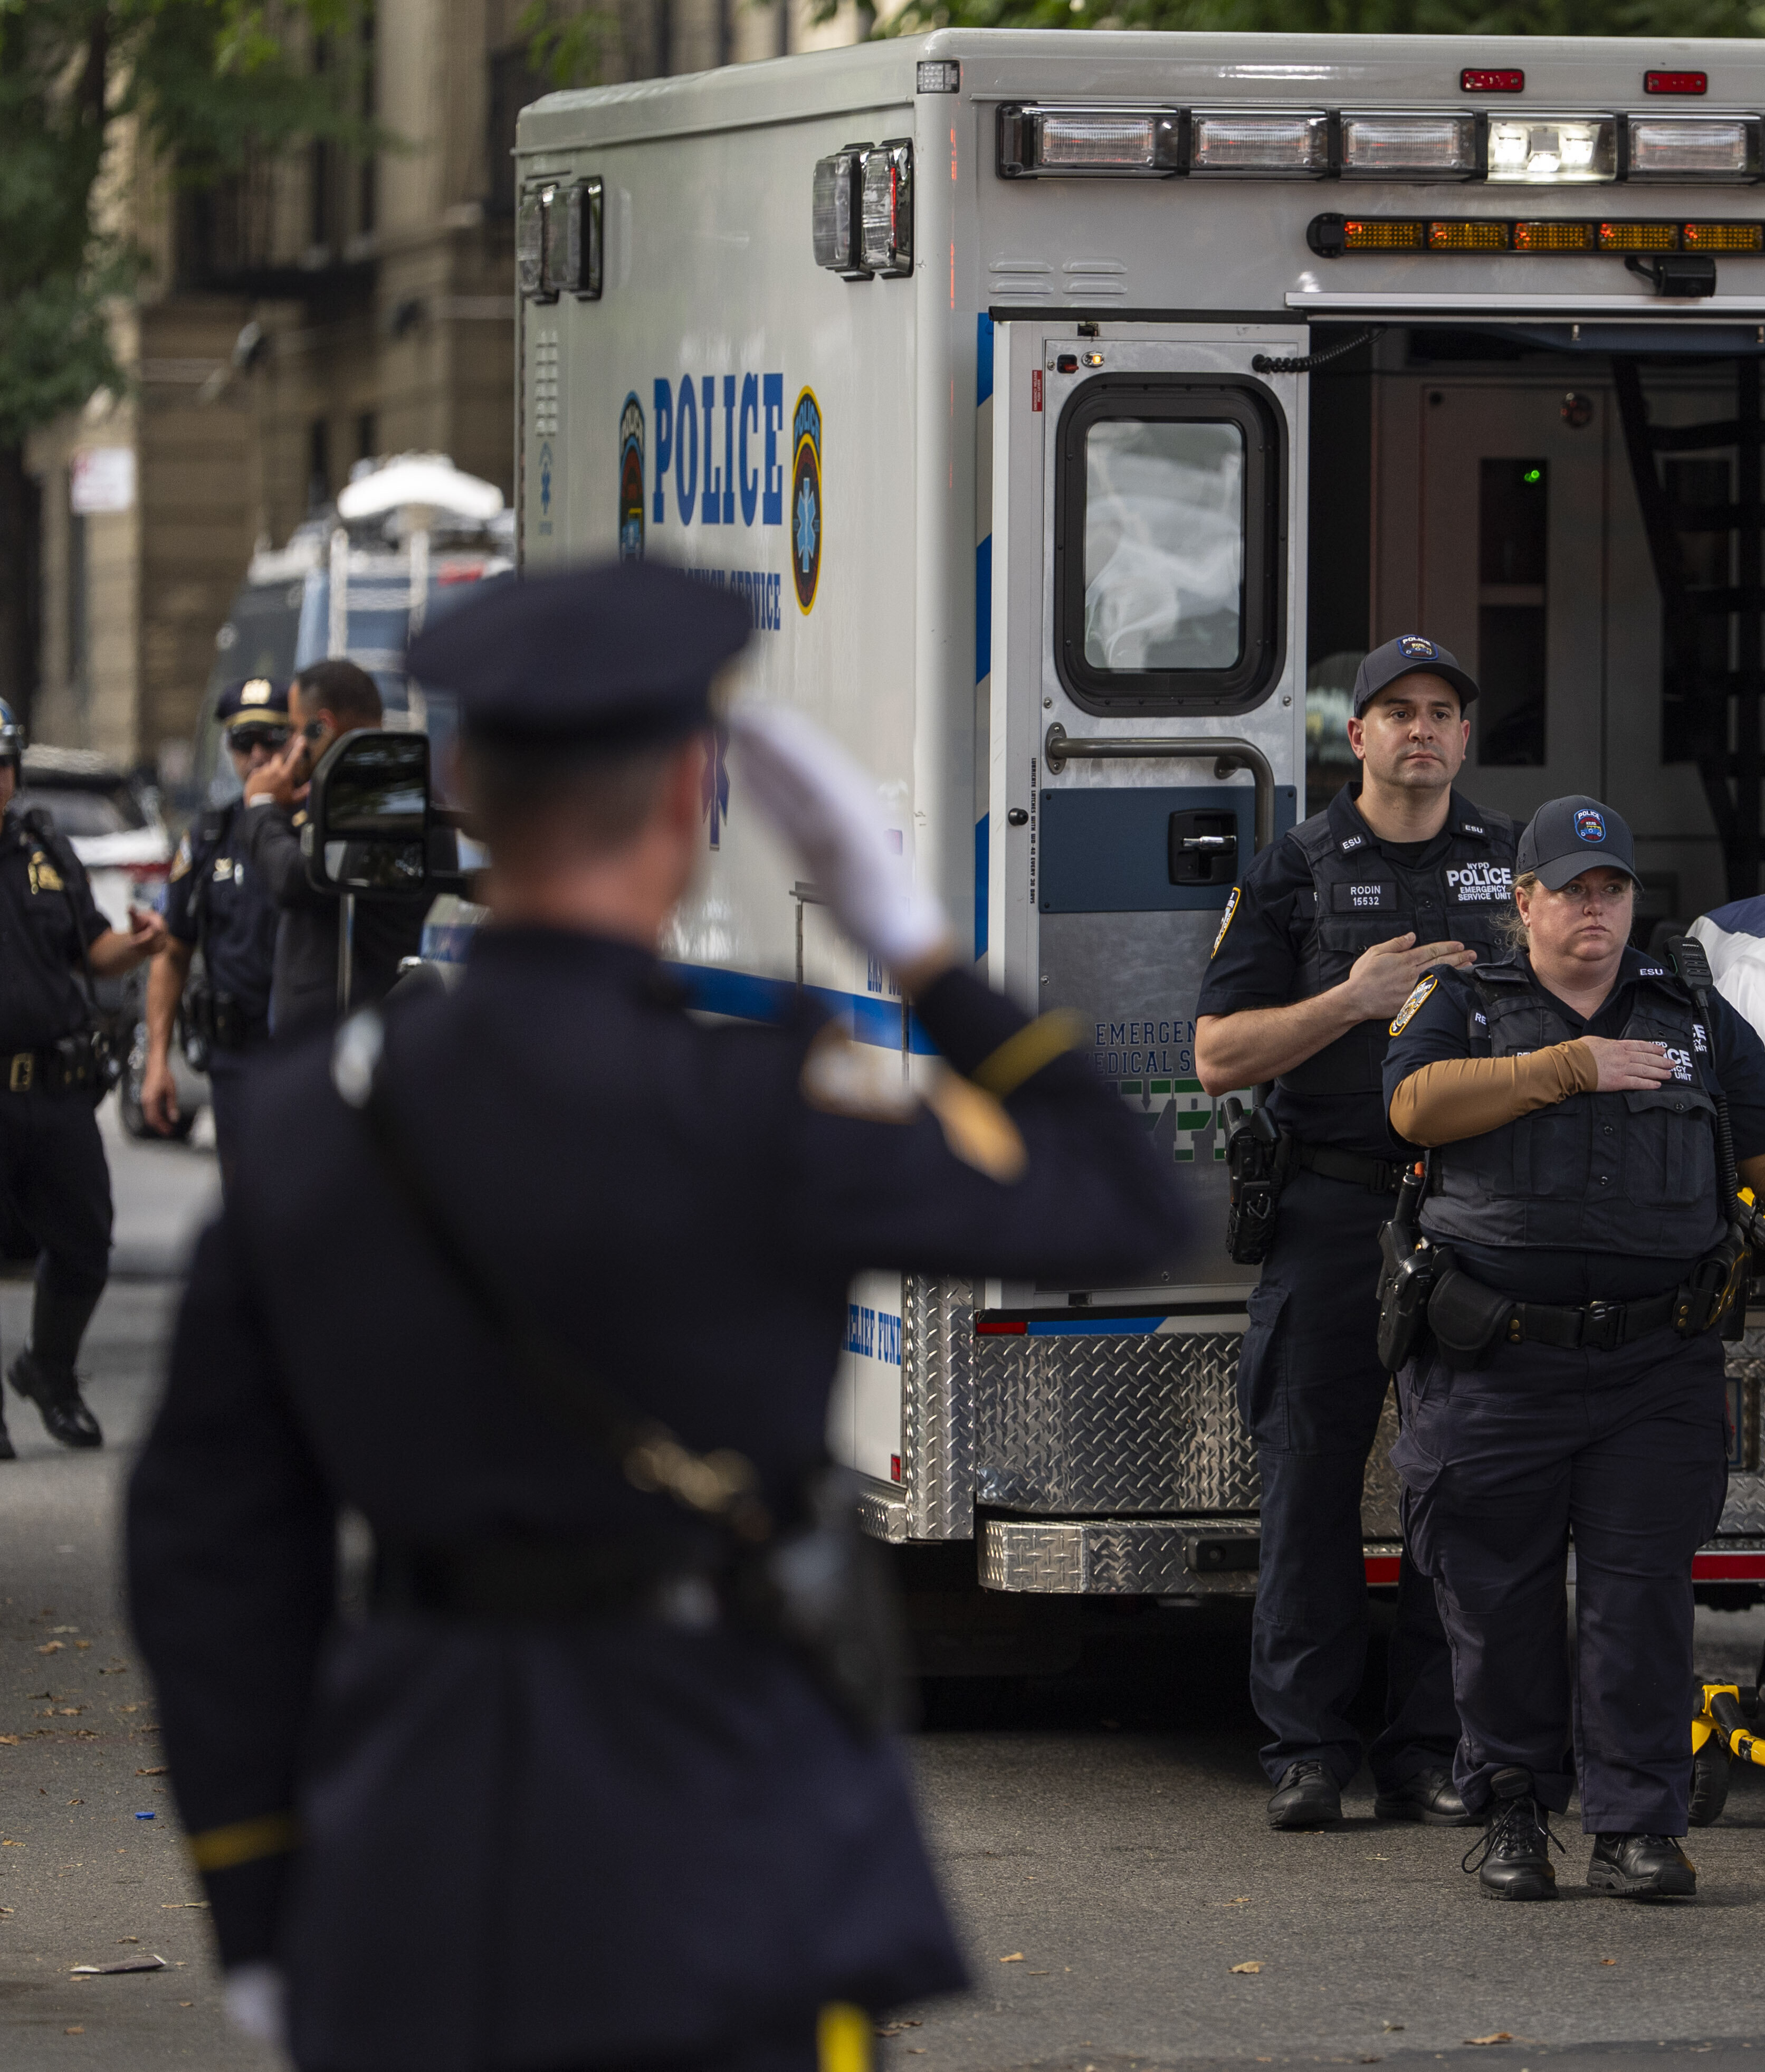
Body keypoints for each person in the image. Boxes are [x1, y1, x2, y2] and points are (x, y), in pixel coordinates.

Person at [123, 560, 1191, 2069]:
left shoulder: (314, 1120)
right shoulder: (758, 1099)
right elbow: (1124, 1199)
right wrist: (920, 949)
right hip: (721, 1827)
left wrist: (255, 1894)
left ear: (466, 785)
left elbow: (209, 1550)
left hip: (412, 1847)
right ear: (695, 785)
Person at [1382, 794, 1765, 1902]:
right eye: (1571, 888)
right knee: (1496, 1607)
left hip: (1653, 1363)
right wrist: (1570, 1065)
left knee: (1641, 1603)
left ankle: (1637, 1824)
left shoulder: (1694, 1017)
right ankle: (1516, 1811)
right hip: (1495, 1357)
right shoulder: (1463, 1004)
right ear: (1522, 901)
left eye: (1612, 887)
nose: (1594, 907)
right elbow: (1414, 1107)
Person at [1193, 636, 1518, 1831]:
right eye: (1397, 711)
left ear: (1464, 738)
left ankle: (1430, 1748)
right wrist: (1349, 998)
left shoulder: (1516, 868)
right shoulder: (1294, 868)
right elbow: (1216, 1050)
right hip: (1332, 1201)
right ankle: (1307, 1750)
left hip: (1473, 1200)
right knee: (1308, 1480)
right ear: (1357, 735)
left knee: (1464, 1483)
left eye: (1442, 711)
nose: (1421, 730)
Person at [0, 697, 170, 1460]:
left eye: (2, 766)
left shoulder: (44, 848)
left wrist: (139, 949)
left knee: (85, 1243)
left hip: (56, 1089)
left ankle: (50, 1370)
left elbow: (90, 950)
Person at [243, 657, 431, 1038]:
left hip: (347, 1032)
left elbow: (296, 879)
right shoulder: (378, 786)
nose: (292, 745)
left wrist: (261, 808)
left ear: (322, 727)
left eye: (297, 730)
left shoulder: (380, 787)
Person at [144, 678, 293, 1140]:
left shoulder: (315, 831)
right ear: (229, 747)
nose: (259, 756)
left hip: (305, 1053)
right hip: (235, 1059)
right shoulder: (208, 838)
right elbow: (173, 952)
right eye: (244, 742)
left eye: (272, 740)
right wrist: (156, 1062)